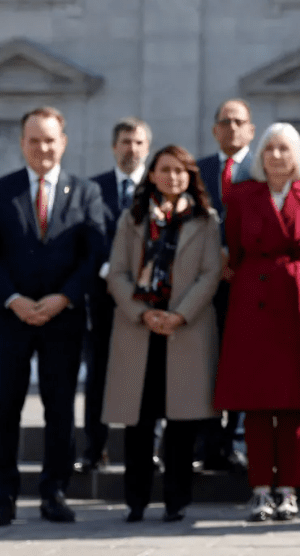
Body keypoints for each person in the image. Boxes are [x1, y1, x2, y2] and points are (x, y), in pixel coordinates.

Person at [0, 106, 109, 526]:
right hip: (10, 317)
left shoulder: (85, 192)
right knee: (5, 407)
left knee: (61, 408)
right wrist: (13, 297)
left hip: (62, 319)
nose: (43, 148)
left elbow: (95, 254)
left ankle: (54, 492)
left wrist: (63, 298)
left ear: (63, 142)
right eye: (34, 140)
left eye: (50, 140)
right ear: (22, 143)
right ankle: (3, 495)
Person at [212, 123, 300, 522]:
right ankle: (261, 489)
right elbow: (235, 249)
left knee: (295, 404)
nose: (277, 156)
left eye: (284, 149)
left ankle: (289, 489)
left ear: (298, 156)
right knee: (256, 404)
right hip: (253, 304)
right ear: (260, 157)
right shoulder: (242, 196)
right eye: (269, 149)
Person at [102, 144, 223, 523]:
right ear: (152, 174)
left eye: (181, 171)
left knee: (181, 422)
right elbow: (118, 272)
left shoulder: (205, 220)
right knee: (138, 422)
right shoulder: (133, 218)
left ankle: (176, 500)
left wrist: (179, 314)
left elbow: (210, 275)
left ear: (190, 177)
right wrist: (142, 312)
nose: (173, 177)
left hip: (184, 330)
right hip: (140, 329)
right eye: (165, 170)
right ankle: (135, 501)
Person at [80, 116, 150, 475]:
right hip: (104, 298)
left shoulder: (158, 188)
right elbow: (91, 239)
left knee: (147, 377)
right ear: (113, 146)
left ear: (147, 148)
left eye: (138, 143)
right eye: (125, 142)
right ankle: (95, 449)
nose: (131, 149)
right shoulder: (92, 188)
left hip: (145, 300)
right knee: (100, 376)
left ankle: (147, 452)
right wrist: (113, 276)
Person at [195, 98, 256, 473]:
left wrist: (237, 262)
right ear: (215, 130)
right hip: (204, 285)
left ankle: (236, 440)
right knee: (205, 363)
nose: (232, 128)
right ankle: (208, 443)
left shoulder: (262, 169)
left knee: (241, 363)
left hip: (247, 283)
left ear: (251, 129)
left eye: (239, 122)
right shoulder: (198, 171)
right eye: (225, 122)